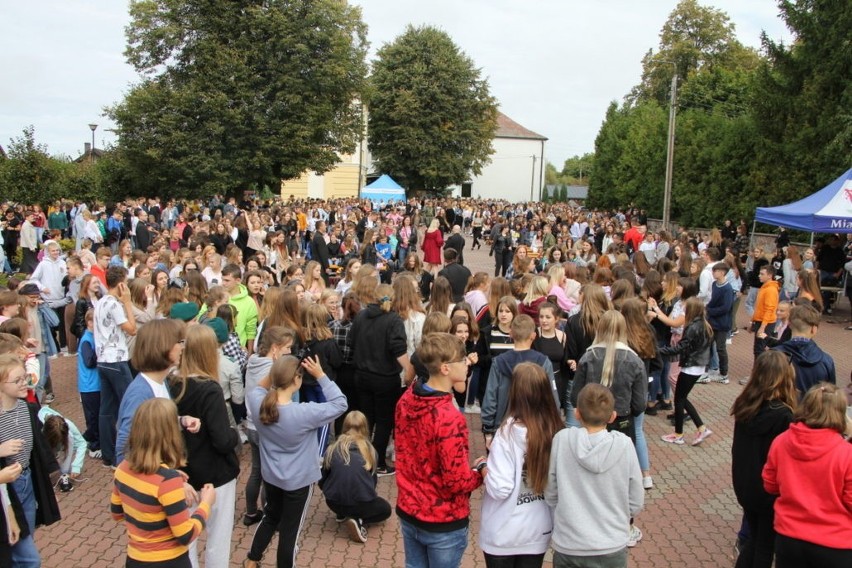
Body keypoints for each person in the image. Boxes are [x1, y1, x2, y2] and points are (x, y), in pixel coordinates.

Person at [244, 355, 346, 568]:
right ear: (297, 380)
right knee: (290, 532)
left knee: (270, 517)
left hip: (271, 477)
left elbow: (258, 388)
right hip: (298, 482)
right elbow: (340, 403)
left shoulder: (257, 403)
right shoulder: (304, 412)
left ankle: (252, 559)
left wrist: (275, 369)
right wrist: (320, 375)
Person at [395, 333, 486, 568]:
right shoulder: (448, 417)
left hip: (409, 508)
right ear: (446, 368)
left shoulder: (406, 399)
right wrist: (479, 474)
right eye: (462, 359)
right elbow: (456, 481)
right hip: (442, 519)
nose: (467, 362)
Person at [545, 383, 644, 568]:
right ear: (613, 416)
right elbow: (636, 498)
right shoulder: (624, 445)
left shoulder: (562, 440)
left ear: (577, 413)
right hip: (611, 543)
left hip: (569, 543)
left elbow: (551, 491)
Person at [111, 398, 216, 568]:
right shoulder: (167, 481)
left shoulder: (122, 468)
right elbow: (186, 535)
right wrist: (205, 504)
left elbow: (117, 513)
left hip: (135, 559)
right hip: (169, 561)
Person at [479, 362, 563, 567]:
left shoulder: (506, 433)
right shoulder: (558, 431)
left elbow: (500, 488)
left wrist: (482, 467)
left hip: (503, 531)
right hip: (538, 529)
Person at [170, 325, 240, 568]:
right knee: (218, 540)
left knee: (185, 540)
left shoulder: (172, 384)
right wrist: (234, 435)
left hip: (184, 475)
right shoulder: (209, 389)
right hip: (216, 475)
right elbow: (222, 439)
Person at [762, 383, 852, 568]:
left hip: (789, 538)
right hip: (835, 544)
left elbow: (770, 484)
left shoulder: (781, 441)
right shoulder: (846, 454)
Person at [731, 351, 797, 568]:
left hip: (745, 486)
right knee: (764, 545)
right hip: (769, 490)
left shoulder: (745, 405)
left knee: (754, 540)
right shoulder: (785, 416)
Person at [0, 353, 60, 567]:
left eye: (24, 377)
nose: (24, 383)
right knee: (28, 557)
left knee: (25, 540)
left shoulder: (27, 408)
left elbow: (38, 447)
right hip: (6, 489)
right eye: (16, 380)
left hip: (26, 482)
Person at [351, 283, 414, 476]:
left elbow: (351, 340)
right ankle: (377, 463)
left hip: (361, 376)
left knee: (366, 419)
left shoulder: (361, 316)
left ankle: (362, 456)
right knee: (384, 421)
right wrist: (409, 369)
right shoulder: (393, 320)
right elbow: (399, 350)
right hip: (385, 379)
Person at [242, 326, 296, 527]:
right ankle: (269, 514)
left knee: (256, 470)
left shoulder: (253, 362)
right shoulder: (270, 370)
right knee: (269, 475)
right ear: (275, 348)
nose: (289, 352)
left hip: (251, 424)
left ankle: (250, 512)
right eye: (287, 348)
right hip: (265, 426)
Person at [482, 315, 558, 446]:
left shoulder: (499, 362)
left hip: (504, 426)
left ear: (511, 334)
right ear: (533, 336)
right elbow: (553, 398)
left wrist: (488, 429)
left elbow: (490, 397)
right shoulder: (543, 362)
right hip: (536, 426)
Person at [319, 411, 391, 543]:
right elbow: (372, 483)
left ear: (344, 426)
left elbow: (322, 479)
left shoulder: (332, 449)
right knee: (386, 510)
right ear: (365, 428)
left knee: (343, 485)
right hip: (361, 503)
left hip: (333, 502)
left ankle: (342, 514)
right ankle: (359, 519)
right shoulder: (370, 451)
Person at [94, 266, 137, 468]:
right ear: (121, 284)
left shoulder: (100, 302)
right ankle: (125, 454)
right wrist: (127, 303)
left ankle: (108, 455)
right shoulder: (114, 304)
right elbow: (132, 329)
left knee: (107, 410)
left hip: (103, 360)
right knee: (131, 404)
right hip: (116, 360)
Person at [657, 298, 714, 446]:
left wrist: (659, 351)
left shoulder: (693, 327)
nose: (683, 311)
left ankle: (678, 434)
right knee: (682, 397)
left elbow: (681, 347)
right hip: (698, 366)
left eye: (685, 309)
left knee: (679, 399)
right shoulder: (704, 325)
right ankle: (701, 428)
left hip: (691, 366)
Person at [772, 304, 836, 396]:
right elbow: (831, 397)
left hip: (781, 408)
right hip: (812, 409)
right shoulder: (826, 361)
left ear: (789, 325)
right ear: (814, 329)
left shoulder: (772, 356)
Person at [38, 407, 87, 493]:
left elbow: (82, 443)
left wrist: (76, 466)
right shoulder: (37, 426)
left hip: (58, 438)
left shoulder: (68, 425)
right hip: (44, 442)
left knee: (70, 438)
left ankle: (62, 473)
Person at [701, 262, 735, 384]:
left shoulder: (727, 289)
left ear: (722, 272)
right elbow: (710, 300)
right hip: (712, 322)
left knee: (720, 348)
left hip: (722, 324)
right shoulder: (714, 284)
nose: (713, 273)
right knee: (707, 346)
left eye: (715, 271)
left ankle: (724, 373)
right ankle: (704, 371)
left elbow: (725, 307)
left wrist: (709, 310)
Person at [751, 265, 780, 359]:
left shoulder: (770, 290)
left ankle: (760, 371)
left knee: (759, 349)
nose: (759, 276)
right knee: (758, 348)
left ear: (769, 275)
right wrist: (753, 321)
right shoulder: (765, 287)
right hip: (761, 321)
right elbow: (759, 307)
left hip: (766, 322)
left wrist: (763, 326)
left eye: (762, 274)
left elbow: (769, 309)